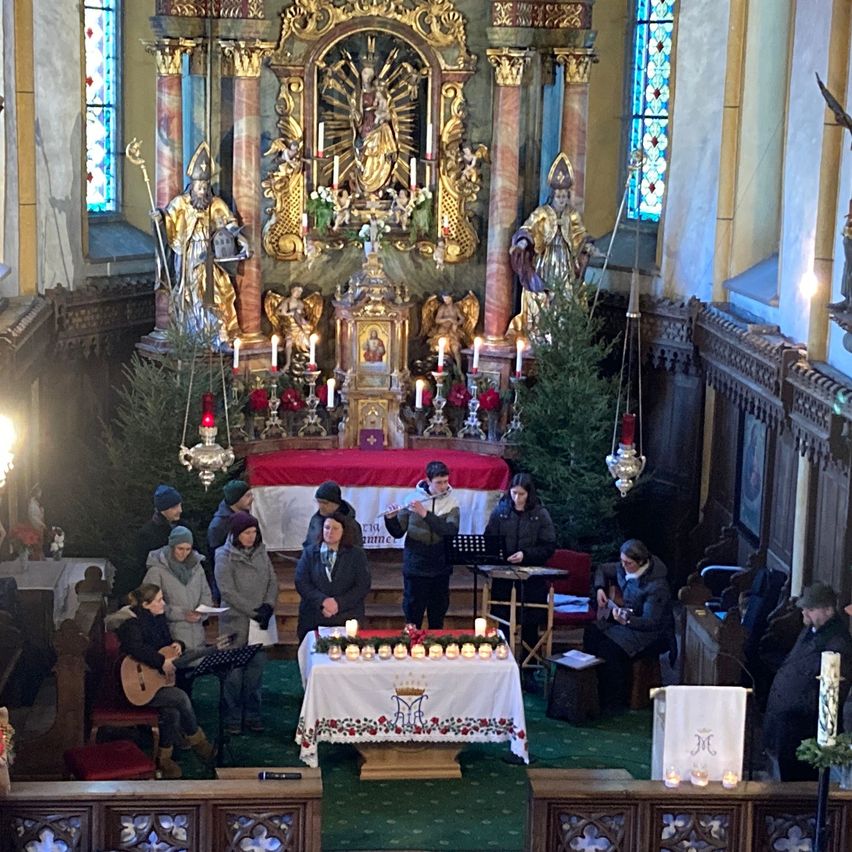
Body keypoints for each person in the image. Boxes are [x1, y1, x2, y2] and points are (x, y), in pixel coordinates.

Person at [108, 583, 215, 779]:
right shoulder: (131, 623)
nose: (163, 603)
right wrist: (160, 662)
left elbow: (164, 643)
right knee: (180, 698)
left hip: (154, 680)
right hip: (133, 685)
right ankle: (199, 743)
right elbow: (136, 648)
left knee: (171, 710)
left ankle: (164, 759)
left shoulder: (157, 619)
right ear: (146, 604)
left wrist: (178, 645)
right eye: (159, 600)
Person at [156, 141, 248, 342]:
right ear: (193, 185)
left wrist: (241, 239)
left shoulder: (214, 203)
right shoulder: (180, 203)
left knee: (217, 290)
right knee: (194, 293)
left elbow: (229, 223)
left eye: (205, 187)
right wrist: (159, 219)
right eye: (199, 186)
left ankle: (216, 330)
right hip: (189, 255)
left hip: (210, 255)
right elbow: (168, 223)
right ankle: (195, 331)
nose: (202, 191)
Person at [764, 582, 852, 781]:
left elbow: (833, 694)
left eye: (811, 609)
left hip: (804, 729)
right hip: (787, 726)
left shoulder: (838, 644)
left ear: (828, 610)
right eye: (804, 607)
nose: (804, 612)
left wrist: (794, 709)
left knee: (800, 784)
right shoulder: (812, 629)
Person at [582, 539, 673, 709]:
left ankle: (614, 699)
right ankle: (592, 688)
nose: (623, 566)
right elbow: (602, 569)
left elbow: (651, 621)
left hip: (650, 633)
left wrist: (626, 620)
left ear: (641, 562)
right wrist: (600, 588)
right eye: (622, 561)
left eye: (628, 563)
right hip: (626, 620)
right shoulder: (623, 568)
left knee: (609, 649)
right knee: (592, 632)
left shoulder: (656, 586)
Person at [485, 473, 556, 685]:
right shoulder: (500, 512)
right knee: (503, 620)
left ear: (529, 493)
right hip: (504, 576)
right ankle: (503, 665)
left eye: (521, 494)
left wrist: (526, 554)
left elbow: (548, 546)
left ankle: (528, 672)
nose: (517, 498)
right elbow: (489, 539)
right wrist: (500, 554)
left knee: (530, 623)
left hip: (531, 577)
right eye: (514, 493)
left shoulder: (540, 514)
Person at [508, 152, 591, 337]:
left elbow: (580, 234)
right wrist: (522, 242)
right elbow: (529, 227)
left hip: (565, 260)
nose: (561, 198)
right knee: (544, 292)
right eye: (558, 195)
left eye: (564, 195)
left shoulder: (572, 214)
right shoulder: (543, 212)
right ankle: (540, 329)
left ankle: (562, 331)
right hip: (546, 258)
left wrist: (587, 246)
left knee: (566, 293)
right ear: (553, 195)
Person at [215, 511, 277, 735]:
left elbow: (272, 580)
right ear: (236, 534)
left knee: (255, 673)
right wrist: (254, 611)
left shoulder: (262, 553)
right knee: (233, 675)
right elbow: (227, 591)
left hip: (259, 625)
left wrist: (268, 605)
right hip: (235, 623)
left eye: (254, 532)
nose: (251, 537)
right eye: (246, 533)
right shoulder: (223, 555)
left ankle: (252, 714)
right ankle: (232, 716)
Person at [384, 460, 460, 628]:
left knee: (437, 613)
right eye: (439, 482)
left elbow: (450, 532)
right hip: (416, 564)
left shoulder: (452, 503)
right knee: (413, 612)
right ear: (427, 481)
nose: (443, 486)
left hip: (440, 564)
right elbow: (398, 532)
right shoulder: (413, 499)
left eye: (446, 481)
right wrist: (390, 519)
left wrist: (425, 514)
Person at [295, 513, 371, 641]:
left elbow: (362, 585)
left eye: (335, 528)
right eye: (327, 528)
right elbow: (301, 582)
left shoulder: (356, 555)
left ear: (344, 531)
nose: (330, 532)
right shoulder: (309, 553)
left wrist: (338, 603)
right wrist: (323, 601)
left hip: (346, 615)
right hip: (314, 616)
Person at [144, 526, 212, 655]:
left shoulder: (197, 568)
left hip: (198, 636)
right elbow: (150, 603)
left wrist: (201, 611)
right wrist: (181, 614)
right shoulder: (156, 571)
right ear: (172, 547)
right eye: (180, 548)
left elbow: (206, 594)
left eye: (188, 549)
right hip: (171, 639)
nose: (184, 553)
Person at [118, 484, 186, 601]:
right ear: (163, 509)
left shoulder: (184, 528)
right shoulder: (146, 535)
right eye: (174, 507)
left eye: (180, 505)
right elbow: (143, 567)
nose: (180, 510)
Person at [349, 60, 398, 194]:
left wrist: (383, 116)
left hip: (378, 126)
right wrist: (356, 116)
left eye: (369, 74)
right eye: (365, 73)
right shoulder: (357, 94)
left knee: (381, 155)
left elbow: (389, 111)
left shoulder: (379, 92)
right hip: (365, 126)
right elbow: (355, 115)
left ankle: (379, 185)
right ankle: (366, 185)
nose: (367, 77)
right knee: (365, 155)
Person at [207, 479, 253, 603]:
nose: (252, 499)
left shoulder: (248, 518)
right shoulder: (218, 526)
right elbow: (216, 560)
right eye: (247, 496)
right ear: (236, 499)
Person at [303, 480, 363, 549]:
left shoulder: (351, 524)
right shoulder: (315, 519)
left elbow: (357, 554)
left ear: (336, 504)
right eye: (319, 502)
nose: (320, 506)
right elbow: (308, 545)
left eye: (325, 503)